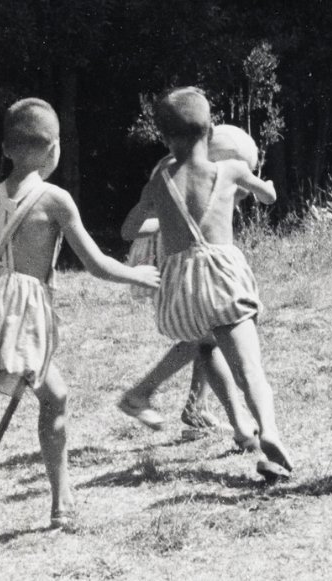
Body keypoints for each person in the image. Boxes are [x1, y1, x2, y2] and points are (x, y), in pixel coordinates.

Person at [0, 98, 160, 527]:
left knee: (54, 394)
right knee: (56, 399)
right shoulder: (54, 199)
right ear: (54, 150)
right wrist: (136, 275)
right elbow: (94, 263)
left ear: (4, 148)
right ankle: (61, 500)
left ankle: (62, 495)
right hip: (29, 320)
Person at [122, 87, 292, 481]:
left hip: (181, 290)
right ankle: (268, 431)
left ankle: (143, 392)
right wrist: (261, 183)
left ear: (165, 139)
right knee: (250, 368)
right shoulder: (230, 170)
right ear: (212, 131)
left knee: (203, 342)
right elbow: (268, 197)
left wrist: (168, 223)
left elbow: (130, 229)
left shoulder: (158, 182)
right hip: (220, 279)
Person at [118, 126, 262, 451]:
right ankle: (142, 393)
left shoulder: (195, 165)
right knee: (206, 335)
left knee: (207, 337)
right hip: (179, 261)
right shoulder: (172, 171)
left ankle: (200, 409)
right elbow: (143, 224)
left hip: (191, 260)